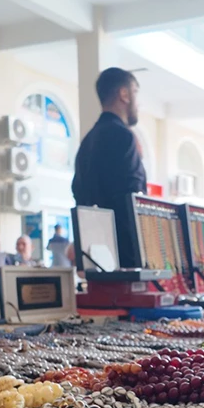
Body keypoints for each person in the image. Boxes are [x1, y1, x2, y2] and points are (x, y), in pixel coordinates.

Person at [72, 68, 147, 269]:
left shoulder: (86, 143)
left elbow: (79, 195)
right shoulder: (124, 136)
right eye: (136, 93)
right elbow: (133, 201)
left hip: (96, 258)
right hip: (128, 261)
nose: (138, 103)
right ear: (124, 94)